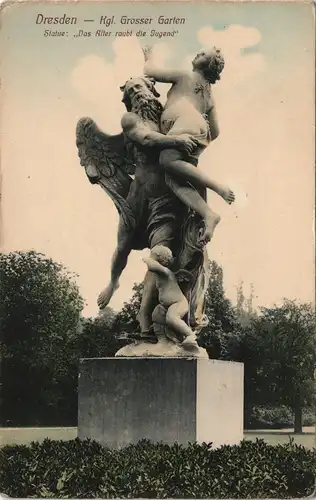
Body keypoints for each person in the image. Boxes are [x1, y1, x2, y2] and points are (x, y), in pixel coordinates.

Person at [144, 46, 235, 244]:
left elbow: (150, 72)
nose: (197, 53)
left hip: (185, 122)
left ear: (209, 65)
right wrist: (198, 136)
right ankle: (208, 214)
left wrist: (149, 56)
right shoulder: (209, 96)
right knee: (172, 179)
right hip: (198, 131)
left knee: (166, 160)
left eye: (203, 55)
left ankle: (218, 187)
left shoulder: (185, 75)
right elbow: (216, 132)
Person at [143, 245, 197, 347]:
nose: (150, 258)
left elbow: (151, 266)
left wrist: (146, 259)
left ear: (159, 258)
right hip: (167, 305)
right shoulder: (161, 274)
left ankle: (190, 335)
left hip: (179, 303)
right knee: (156, 314)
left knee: (172, 317)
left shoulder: (165, 272)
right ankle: (162, 341)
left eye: (152, 256)